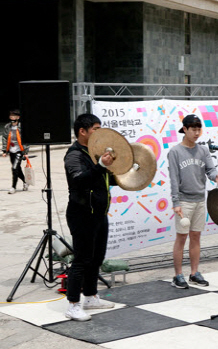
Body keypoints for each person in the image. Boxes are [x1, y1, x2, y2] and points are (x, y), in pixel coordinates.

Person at [64, 114, 116, 321]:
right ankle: (73, 304)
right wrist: (100, 166)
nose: (99, 132)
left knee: (96, 258)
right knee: (81, 260)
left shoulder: (95, 152)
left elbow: (103, 179)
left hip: (99, 213)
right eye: (95, 128)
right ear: (82, 131)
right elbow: (79, 180)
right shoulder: (74, 154)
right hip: (81, 213)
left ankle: (90, 296)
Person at [168, 114, 218, 289]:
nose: (197, 132)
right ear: (184, 129)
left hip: (200, 199)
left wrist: (216, 176)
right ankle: (178, 275)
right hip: (184, 200)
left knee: (196, 236)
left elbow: (210, 169)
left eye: (199, 129)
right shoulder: (175, 152)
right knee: (181, 237)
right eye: (193, 129)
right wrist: (176, 202)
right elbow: (174, 179)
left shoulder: (203, 150)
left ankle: (194, 272)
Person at [2, 110, 29, 194]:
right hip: (11, 150)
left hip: (19, 151)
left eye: (13, 115)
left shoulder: (22, 127)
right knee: (17, 169)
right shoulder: (7, 127)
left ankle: (13, 187)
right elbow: (4, 138)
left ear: (18, 117)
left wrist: (25, 152)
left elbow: (26, 139)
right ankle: (25, 182)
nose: (11, 117)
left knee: (14, 168)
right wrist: (4, 150)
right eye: (11, 115)